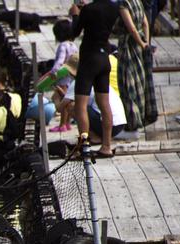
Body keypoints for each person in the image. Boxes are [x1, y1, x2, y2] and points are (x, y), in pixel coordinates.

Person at [69, 0, 120, 158]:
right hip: (105, 57)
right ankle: (106, 146)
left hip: (89, 59)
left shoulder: (89, 9)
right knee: (104, 104)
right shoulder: (114, 7)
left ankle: (83, 148)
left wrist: (76, 15)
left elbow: (74, 32)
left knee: (80, 105)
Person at [59, 54, 127, 145]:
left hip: (108, 125)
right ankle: (98, 136)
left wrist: (58, 91)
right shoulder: (94, 77)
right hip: (119, 124)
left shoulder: (78, 82)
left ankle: (92, 137)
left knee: (72, 106)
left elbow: (60, 108)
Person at [116, 0, 157, 131]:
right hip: (140, 46)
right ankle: (142, 116)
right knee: (140, 81)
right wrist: (145, 42)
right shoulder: (138, 1)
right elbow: (145, 23)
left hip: (128, 46)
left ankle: (132, 122)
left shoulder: (124, 4)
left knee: (128, 84)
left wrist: (140, 43)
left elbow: (131, 28)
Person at [47, 19, 79, 133]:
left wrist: (53, 72)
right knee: (69, 99)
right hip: (71, 76)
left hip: (63, 77)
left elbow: (60, 61)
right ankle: (68, 123)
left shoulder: (62, 46)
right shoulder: (73, 45)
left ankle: (62, 125)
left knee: (63, 101)